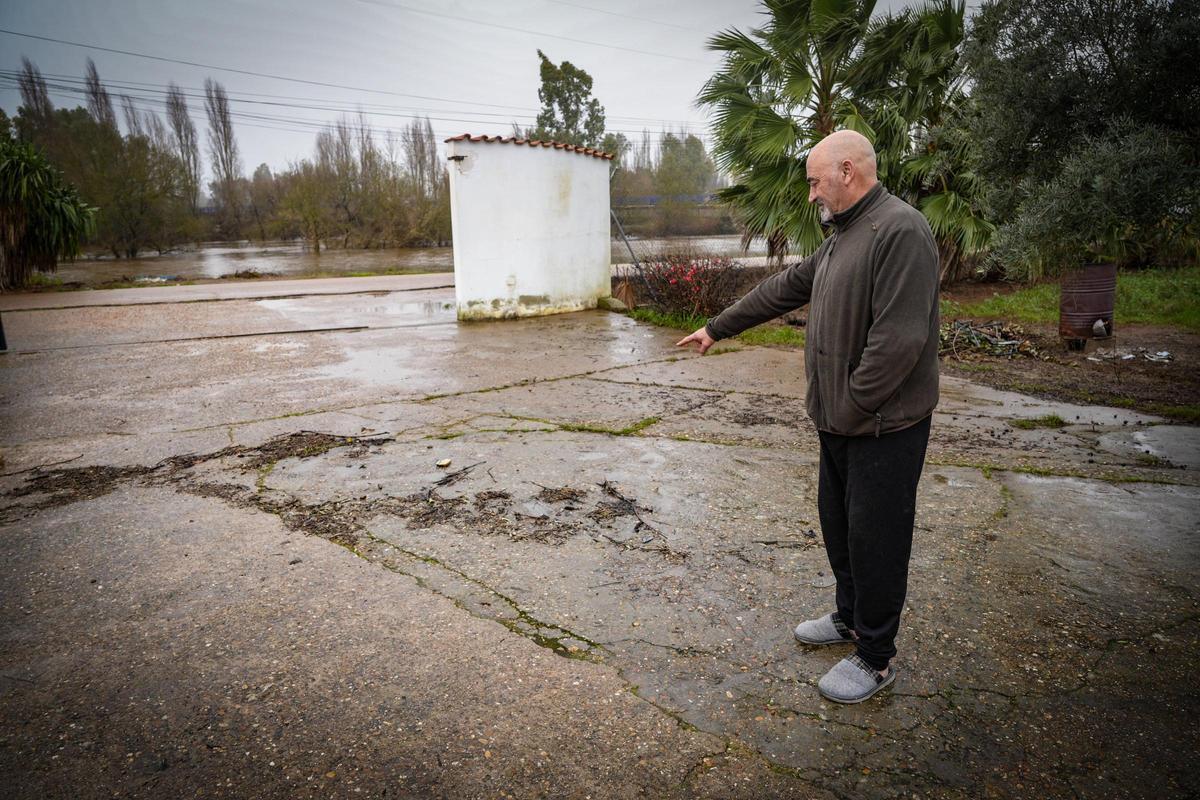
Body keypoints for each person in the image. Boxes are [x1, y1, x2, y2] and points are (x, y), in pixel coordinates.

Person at [676, 130, 939, 704]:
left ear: (848, 171)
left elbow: (899, 341)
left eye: (817, 182)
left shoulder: (900, 230)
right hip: (841, 422)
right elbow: (786, 287)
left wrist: (851, 405)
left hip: (883, 426)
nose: (812, 194)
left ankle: (875, 657)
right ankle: (850, 619)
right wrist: (718, 327)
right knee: (840, 528)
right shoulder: (842, 237)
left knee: (877, 538)